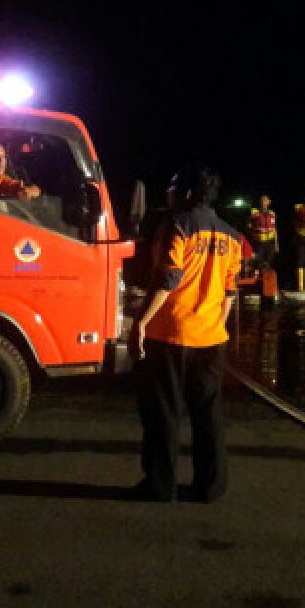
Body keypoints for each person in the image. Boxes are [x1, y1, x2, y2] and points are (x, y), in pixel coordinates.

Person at [129, 163, 243, 503]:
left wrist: (141, 322)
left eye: (173, 187)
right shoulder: (232, 235)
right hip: (211, 337)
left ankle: (160, 486)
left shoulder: (176, 224)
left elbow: (169, 279)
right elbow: (230, 291)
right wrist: (219, 325)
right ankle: (210, 487)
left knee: (164, 412)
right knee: (208, 414)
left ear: (188, 193)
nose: (168, 193)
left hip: (170, 334)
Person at [247, 194, 279, 269]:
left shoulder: (272, 214)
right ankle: (258, 278)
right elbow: (248, 227)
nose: (263, 202)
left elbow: (275, 229)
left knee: (269, 263)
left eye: (265, 200)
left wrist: (277, 244)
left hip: (270, 242)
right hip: (259, 242)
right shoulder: (254, 213)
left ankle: (267, 279)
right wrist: (255, 230)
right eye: (262, 201)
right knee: (258, 262)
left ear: (269, 202)